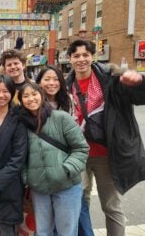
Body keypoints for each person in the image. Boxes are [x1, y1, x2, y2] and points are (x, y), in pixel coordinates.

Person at [66, 40, 145, 235]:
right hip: (78, 155)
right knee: (78, 203)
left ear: (92, 56)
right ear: (70, 59)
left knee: (111, 206)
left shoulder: (111, 79)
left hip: (106, 155)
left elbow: (138, 97)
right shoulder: (65, 84)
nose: (81, 59)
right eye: (76, 56)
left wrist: (140, 82)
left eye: (85, 55)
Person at [17, 83, 89, 236]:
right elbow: (21, 156)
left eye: (34, 94)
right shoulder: (21, 124)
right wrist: (27, 177)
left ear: (42, 96)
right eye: (26, 96)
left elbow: (81, 148)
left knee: (67, 231)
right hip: (39, 188)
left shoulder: (61, 118)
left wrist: (67, 169)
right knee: (42, 231)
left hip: (67, 185)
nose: (31, 99)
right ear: (21, 100)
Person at [36, 65, 94, 236]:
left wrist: (68, 168)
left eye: (55, 79)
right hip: (42, 173)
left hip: (66, 169)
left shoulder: (68, 101)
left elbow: (78, 142)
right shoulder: (32, 101)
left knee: (70, 221)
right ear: (39, 82)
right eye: (47, 79)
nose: (51, 83)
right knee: (44, 227)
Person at [0, 75, 27, 235]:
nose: (1, 95)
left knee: (5, 229)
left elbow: (18, 157)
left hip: (8, 186)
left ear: (12, 92)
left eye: (5, 91)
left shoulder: (18, 118)